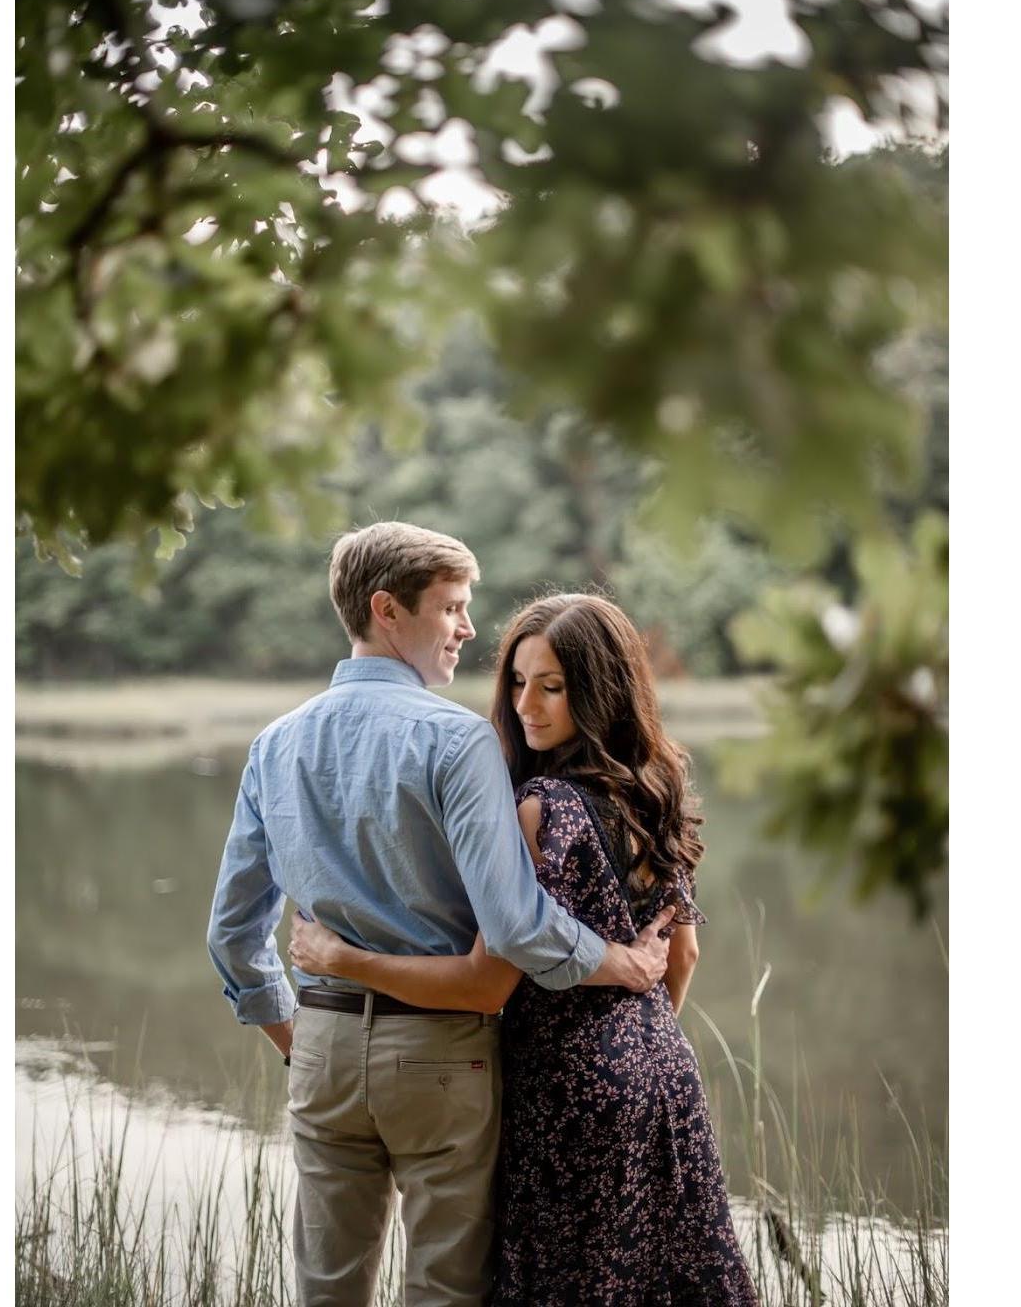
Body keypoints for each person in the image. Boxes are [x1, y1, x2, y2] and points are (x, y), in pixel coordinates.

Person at [207, 525, 674, 1307]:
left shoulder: (274, 745)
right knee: (444, 1291)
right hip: (440, 1056)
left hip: (319, 1046)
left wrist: (298, 1037)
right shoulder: (458, 742)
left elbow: (232, 933)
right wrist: (618, 961)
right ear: (388, 610)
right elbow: (518, 927)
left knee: (324, 1289)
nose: (467, 628)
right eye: (453, 608)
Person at [290, 593, 760, 1306]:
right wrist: (635, 1044)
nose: (527, 705)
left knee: (566, 1285)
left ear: (599, 690)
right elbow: (684, 955)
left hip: (564, 1089)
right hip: (665, 1074)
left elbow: (487, 981)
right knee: (664, 1282)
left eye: (551, 686)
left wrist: (343, 959)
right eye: (517, 682)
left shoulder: (541, 807)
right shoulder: (658, 787)